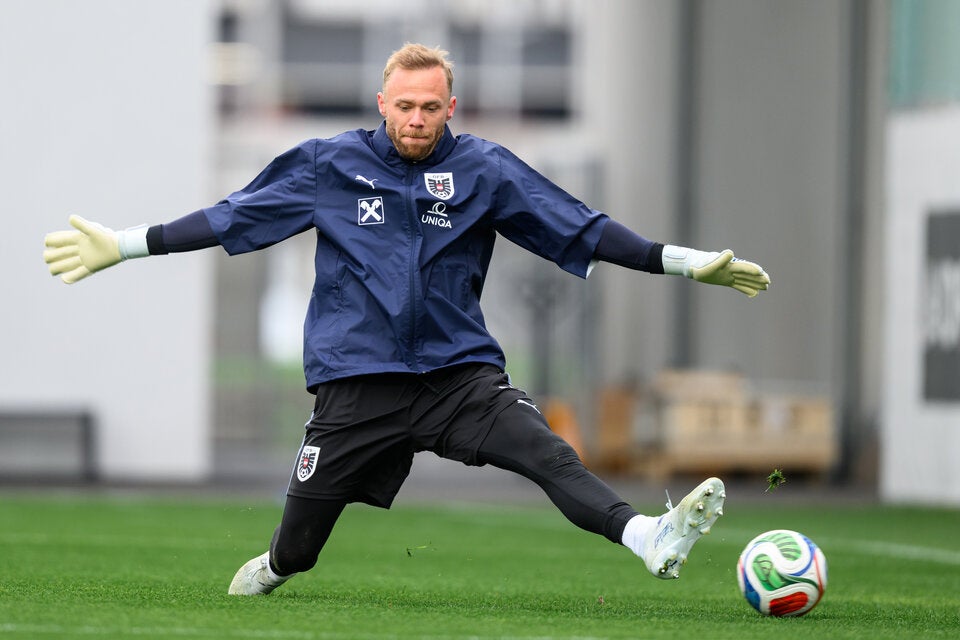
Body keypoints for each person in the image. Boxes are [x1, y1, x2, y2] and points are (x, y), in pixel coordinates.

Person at [43, 43, 769, 595]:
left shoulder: (486, 170)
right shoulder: (330, 164)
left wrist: (681, 260)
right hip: (358, 384)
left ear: (451, 109)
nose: (416, 119)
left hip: (458, 376)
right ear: (381, 104)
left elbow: (576, 226)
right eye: (404, 106)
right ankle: (275, 563)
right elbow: (237, 215)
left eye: (430, 107)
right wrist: (128, 244)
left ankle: (649, 535)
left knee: (547, 453)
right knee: (298, 550)